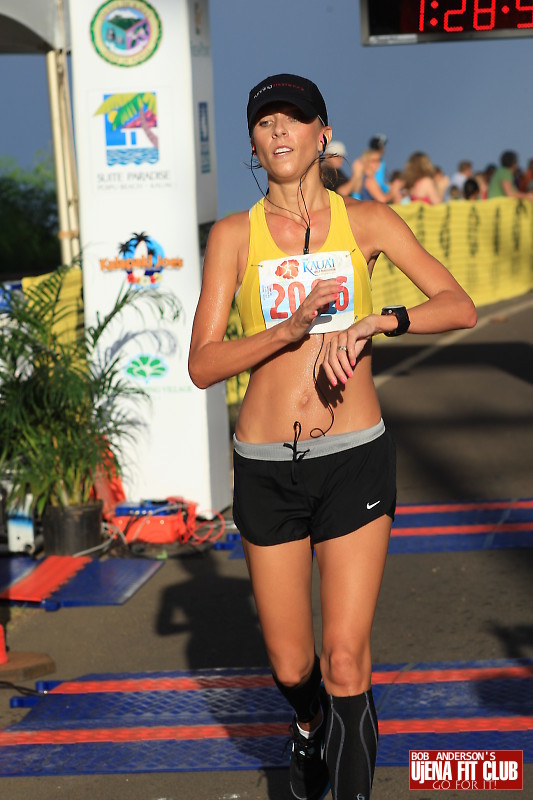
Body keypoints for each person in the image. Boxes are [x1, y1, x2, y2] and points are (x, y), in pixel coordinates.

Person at [188, 72, 477, 800]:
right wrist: (283, 331)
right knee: (293, 668)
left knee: (346, 658)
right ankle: (309, 723)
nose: (278, 130)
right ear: (253, 142)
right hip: (265, 466)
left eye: (294, 118)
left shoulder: (369, 222)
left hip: (352, 457)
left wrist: (377, 321)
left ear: (322, 134)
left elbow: (457, 305)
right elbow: (202, 365)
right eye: (264, 122)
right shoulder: (232, 236)